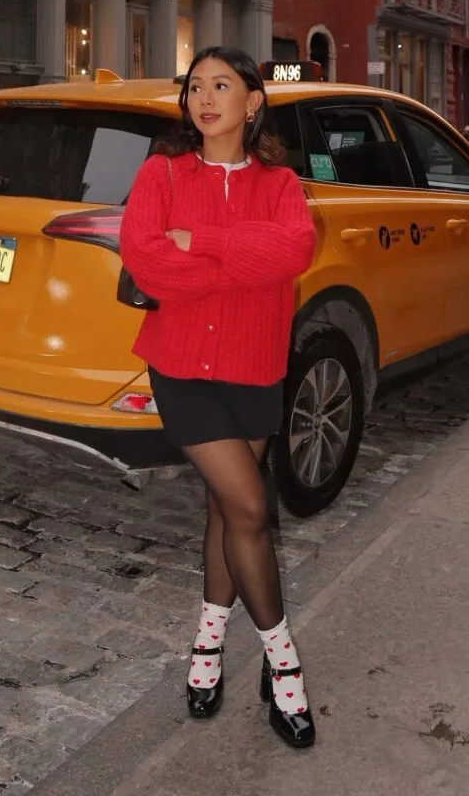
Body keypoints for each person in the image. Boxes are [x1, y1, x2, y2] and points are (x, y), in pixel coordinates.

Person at [119, 46, 317, 749]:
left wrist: (200, 242)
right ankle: (282, 662)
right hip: (181, 368)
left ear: (252, 101)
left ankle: (208, 640)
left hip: (253, 368)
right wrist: (242, 264)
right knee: (251, 509)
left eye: (221, 85)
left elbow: (294, 252)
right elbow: (148, 262)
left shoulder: (281, 185)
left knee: (225, 511)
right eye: (195, 87)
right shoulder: (162, 173)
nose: (204, 99)